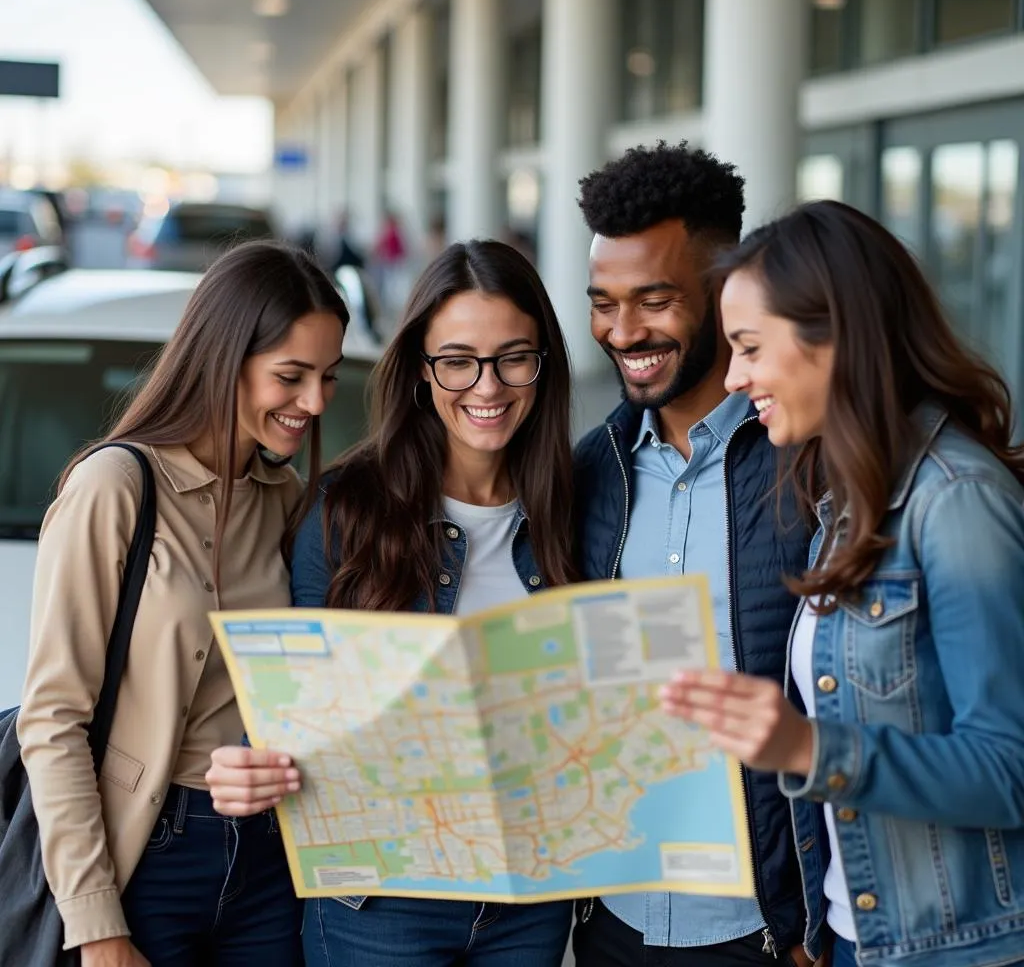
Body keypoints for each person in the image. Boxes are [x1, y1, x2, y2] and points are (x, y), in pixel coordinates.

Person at [661, 199, 1024, 967]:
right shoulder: (841, 495)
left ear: (834, 335)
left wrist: (806, 746)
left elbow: (1009, 767)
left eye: (750, 347)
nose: (732, 379)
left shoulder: (958, 500)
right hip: (861, 942)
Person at [207, 239, 577, 966]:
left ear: (542, 364)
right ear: (419, 370)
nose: (488, 385)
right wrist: (251, 761)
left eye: (513, 357)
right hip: (378, 903)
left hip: (531, 901)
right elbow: (301, 706)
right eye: (458, 360)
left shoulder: (574, 505)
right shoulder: (348, 508)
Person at [17, 240, 350, 967]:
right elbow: (54, 718)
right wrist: (96, 921)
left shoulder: (287, 498)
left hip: (269, 860)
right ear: (223, 359)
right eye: (290, 377)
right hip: (146, 859)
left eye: (326, 377)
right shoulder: (114, 487)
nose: (316, 403)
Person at [571, 142, 815, 966]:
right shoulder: (586, 472)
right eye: (603, 302)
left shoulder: (810, 466)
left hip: (768, 926)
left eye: (655, 299)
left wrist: (816, 921)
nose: (623, 331)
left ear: (723, 292)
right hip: (612, 917)